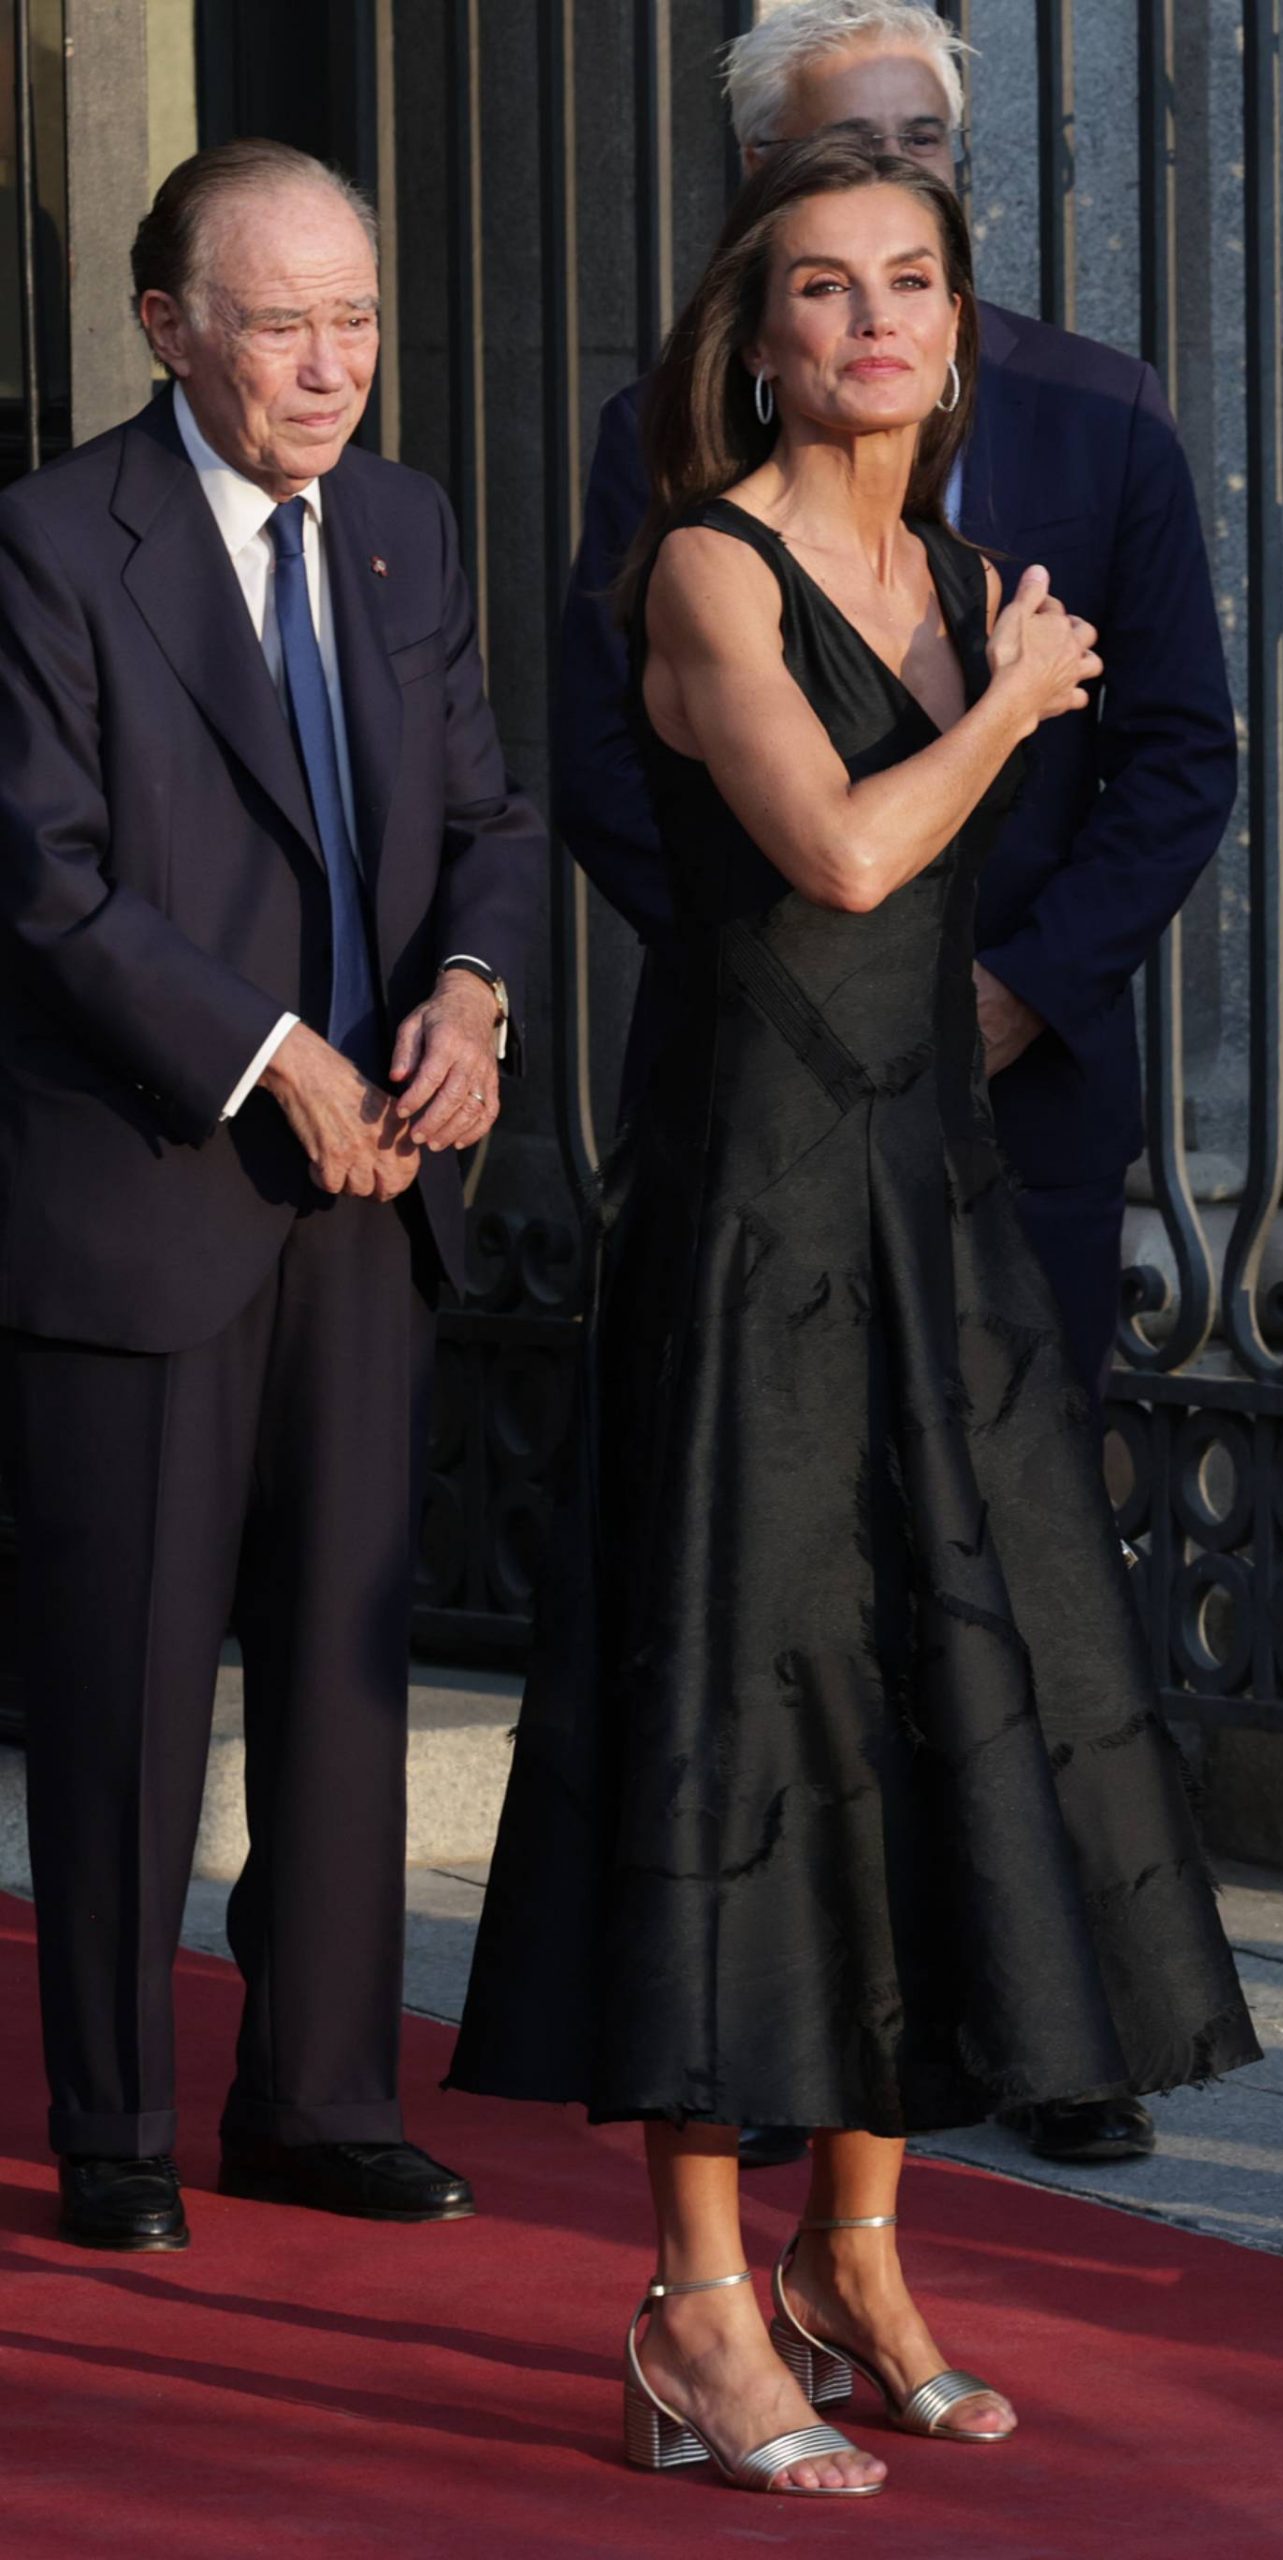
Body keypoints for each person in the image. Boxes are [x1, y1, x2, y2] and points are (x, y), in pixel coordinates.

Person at [449, 136, 1258, 2501]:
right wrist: (1008, 704)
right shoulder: (704, 562)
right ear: (758, 332)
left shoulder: (952, 563)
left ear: (953, 322)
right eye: (820, 288)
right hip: (745, 1219)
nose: (868, 322)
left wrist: (989, 667)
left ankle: (858, 2252)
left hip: (927, 1203)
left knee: (921, 1700)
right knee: (741, 1712)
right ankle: (694, 2304)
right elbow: (841, 851)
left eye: (907, 283)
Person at [556, 0, 1238, 2176]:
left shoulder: (1058, 462)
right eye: (834, 224)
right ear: (753, 274)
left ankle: (1000, 2068)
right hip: (769, 1139)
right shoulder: (686, 518)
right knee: (763, 1658)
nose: (878, 288)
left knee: (992, 1613)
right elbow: (724, 812)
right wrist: (831, 974)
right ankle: (722, 2188)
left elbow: (1178, 758)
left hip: (985, 1131)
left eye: (919, 205)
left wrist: (1015, 987)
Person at [0, 140, 544, 2253]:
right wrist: (271, 1051)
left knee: (343, 1661)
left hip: (373, 1193)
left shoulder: (403, 529)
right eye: (283, 322)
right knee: (129, 1678)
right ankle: (120, 2122)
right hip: (152, 1180)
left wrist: (475, 1001)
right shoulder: (51, 546)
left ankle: (318, 2092)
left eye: (359, 317)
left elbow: (488, 812)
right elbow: (39, 873)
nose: (332, 367)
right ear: (168, 329)